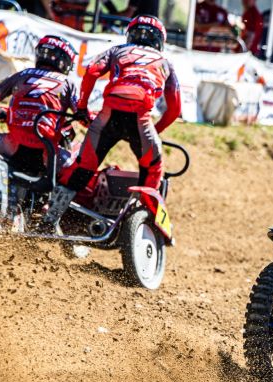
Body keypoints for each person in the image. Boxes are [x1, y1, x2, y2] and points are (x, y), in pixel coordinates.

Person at [44, 15, 181, 228]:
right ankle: (142, 222)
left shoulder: (117, 50)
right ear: (159, 40)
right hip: (140, 121)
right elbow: (175, 109)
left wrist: (82, 107)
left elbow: (91, 71)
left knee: (81, 169)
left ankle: (48, 219)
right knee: (152, 169)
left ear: (131, 34)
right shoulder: (166, 62)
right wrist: (155, 130)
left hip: (107, 117)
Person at [0, 36, 78, 176]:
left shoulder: (22, 74)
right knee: (79, 169)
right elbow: (84, 114)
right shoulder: (68, 83)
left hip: (11, 146)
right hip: (47, 154)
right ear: (65, 60)